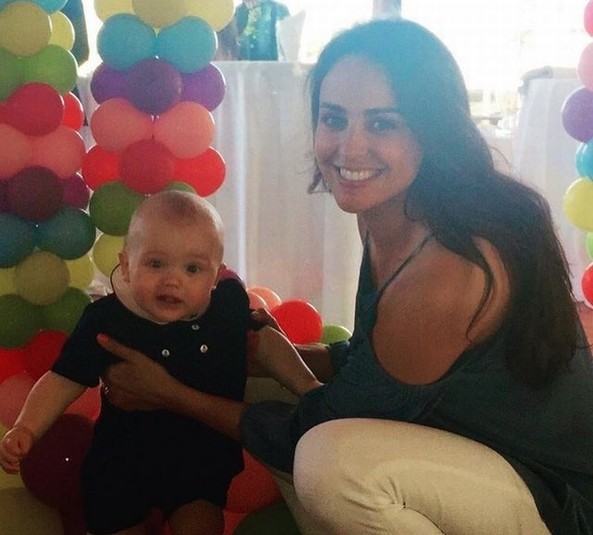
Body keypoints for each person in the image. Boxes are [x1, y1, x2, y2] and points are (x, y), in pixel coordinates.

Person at [89, 19, 592, 535]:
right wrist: (250, 352)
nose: (349, 149)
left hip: (554, 501)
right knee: (242, 382)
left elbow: (317, 427)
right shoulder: (391, 213)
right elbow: (375, 360)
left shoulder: (447, 269)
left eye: (382, 124)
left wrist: (170, 392)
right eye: (333, 119)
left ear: (432, 130)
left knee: (332, 463)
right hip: (466, 455)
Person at [0, 190, 319, 535]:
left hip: (200, 459)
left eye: (192, 268)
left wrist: (307, 385)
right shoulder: (109, 319)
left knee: (201, 524)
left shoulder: (226, 306)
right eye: (156, 264)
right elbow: (64, 379)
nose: (173, 280)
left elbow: (265, 344)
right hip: (123, 461)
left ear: (216, 275)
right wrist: (27, 427)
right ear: (126, 265)